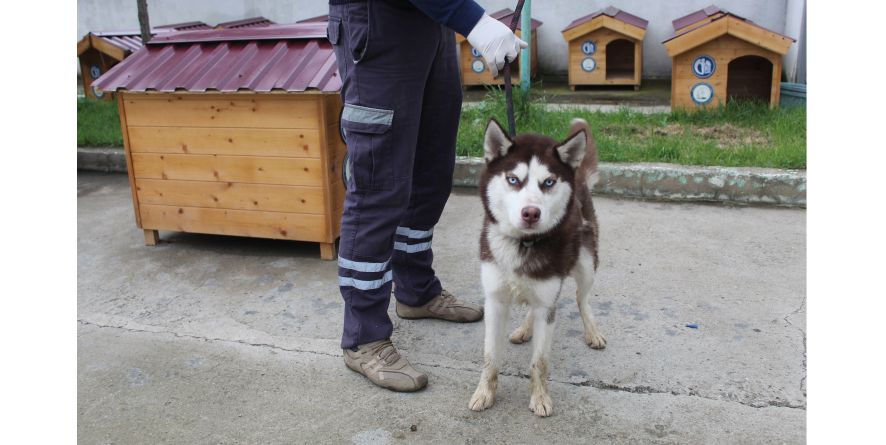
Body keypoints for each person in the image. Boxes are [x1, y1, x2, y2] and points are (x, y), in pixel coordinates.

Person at [327, 0, 527, 392]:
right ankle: (363, 336)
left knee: (429, 173)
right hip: (377, 22)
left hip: (431, 23)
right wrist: (474, 21)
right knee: (378, 184)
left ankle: (416, 291)